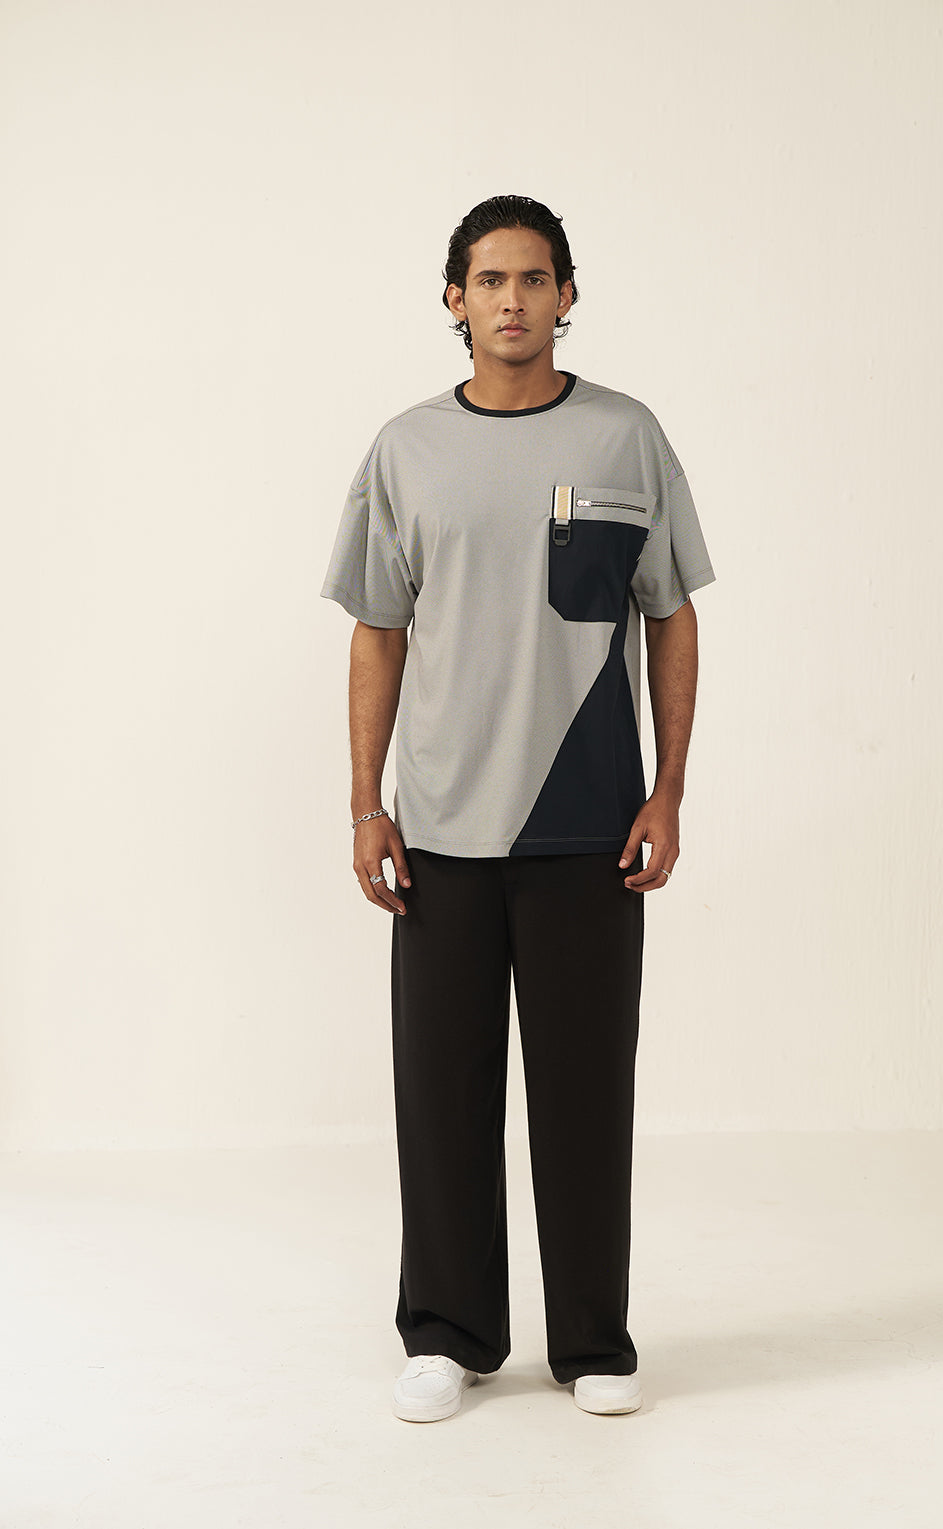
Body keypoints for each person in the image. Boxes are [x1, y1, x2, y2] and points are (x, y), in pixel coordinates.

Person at [320, 194, 715, 1422]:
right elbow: (377, 632)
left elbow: (672, 613)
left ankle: (592, 1341)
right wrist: (365, 805)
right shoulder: (406, 449)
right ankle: (448, 1334)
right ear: (455, 298)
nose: (511, 300)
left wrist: (668, 788)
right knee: (441, 1096)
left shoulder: (625, 437)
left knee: (586, 1093)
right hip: (440, 827)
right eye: (489, 280)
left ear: (566, 295)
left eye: (534, 278)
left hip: (588, 828)